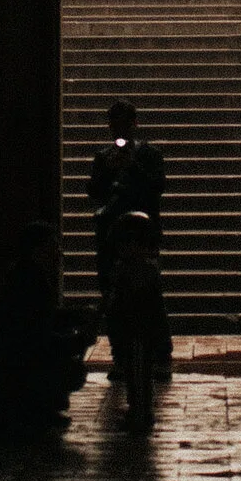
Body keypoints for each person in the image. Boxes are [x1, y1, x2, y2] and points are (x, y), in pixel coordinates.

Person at [0, 219, 88, 433]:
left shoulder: (26, 275)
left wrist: (76, 316)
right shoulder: (30, 280)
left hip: (15, 350)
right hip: (19, 357)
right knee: (68, 367)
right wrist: (75, 341)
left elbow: (42, 319)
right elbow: (35, 335)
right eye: (53, 247)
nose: (58, 254)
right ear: (39, 250)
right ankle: (36, 410)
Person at [88, 99, 166, 324]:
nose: (119, 131)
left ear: (134, 124)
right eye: (115, 126)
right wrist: (108, 171)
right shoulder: (104, 158)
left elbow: (157, 186)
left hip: (141, 232)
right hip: (114, 232)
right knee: (111, 286)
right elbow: (94, 191)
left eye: (124, 125)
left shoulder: (150, 154)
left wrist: (132, 165)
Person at [102, 211, 169, 435]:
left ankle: (140, 410)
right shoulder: (139, 270)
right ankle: (139, 408)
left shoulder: (135, 271)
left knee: (139, 372)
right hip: (136, 329)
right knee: (136, 372)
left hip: (137, 330)